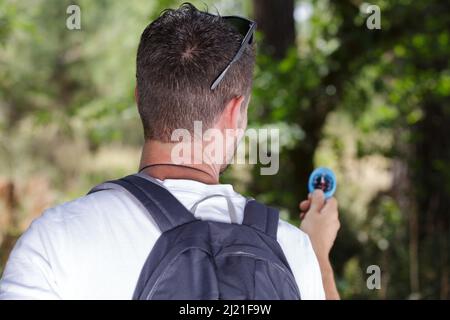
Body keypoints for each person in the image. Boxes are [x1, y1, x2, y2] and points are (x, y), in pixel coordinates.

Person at [0, 3, 340, 300]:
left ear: (139, 99)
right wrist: (318, 256)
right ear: (235, 112)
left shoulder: (56, 241)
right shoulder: (293, 251)